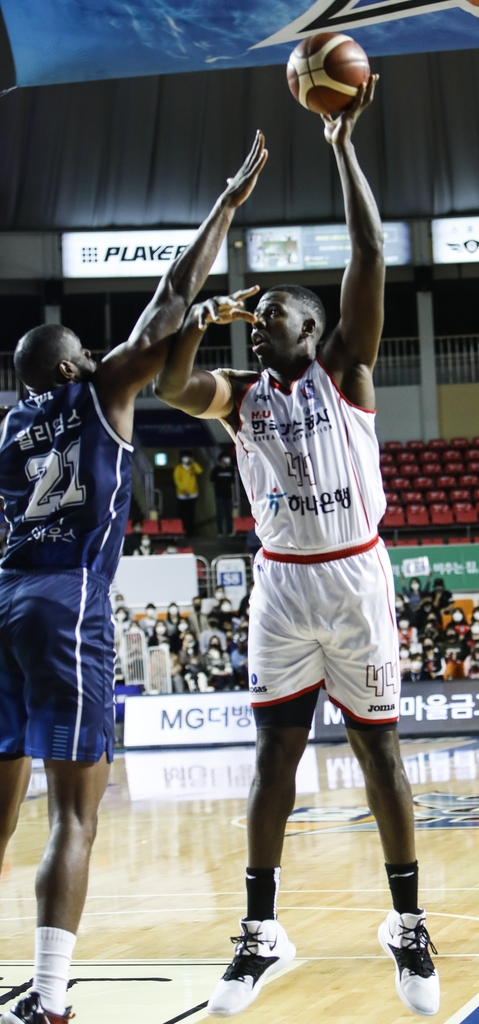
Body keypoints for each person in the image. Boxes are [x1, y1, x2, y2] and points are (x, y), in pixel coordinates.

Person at [155, 80, 439, 1018]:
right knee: (273, 759)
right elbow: (169, 381)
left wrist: (342, 145)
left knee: (379, 757)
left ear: (313, 327)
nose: (265, 314)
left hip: (357, 577)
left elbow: (367, 249)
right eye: (261, 307)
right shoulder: (239, 393)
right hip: (282, 586)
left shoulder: (347, 370)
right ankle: (260, 929)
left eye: (279, 308)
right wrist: (205, 313)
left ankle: (407, 924)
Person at [0, 131, 268, 1024]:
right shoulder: (100, 388)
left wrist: (192, 323)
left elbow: (172, 320)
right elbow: (164, 303)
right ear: (75, 364)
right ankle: (47, 999)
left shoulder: (5, 432)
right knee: (75, 814)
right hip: (67, 601)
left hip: (3, 599)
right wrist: (226, 204)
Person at [173, 449, 203, 537]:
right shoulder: (178, 468)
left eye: (188, 457)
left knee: (191, 514)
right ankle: (180, 531)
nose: (186, 459)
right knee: (181, 514)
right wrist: (183, 490)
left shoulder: (192, 467)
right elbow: (177, 480)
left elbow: (200, 471)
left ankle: (190, 533)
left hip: (193, 495)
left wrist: (193, 462)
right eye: (184, 457)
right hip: (182, 495)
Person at [211, 449, 236, 536]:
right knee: (220, 514)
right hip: (219, 496)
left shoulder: (231, 470)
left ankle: (229, 531)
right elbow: (212, 482)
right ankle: (220, 532)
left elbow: (233, 482)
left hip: (229, 495)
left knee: (229, 514)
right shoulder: (216, 470)